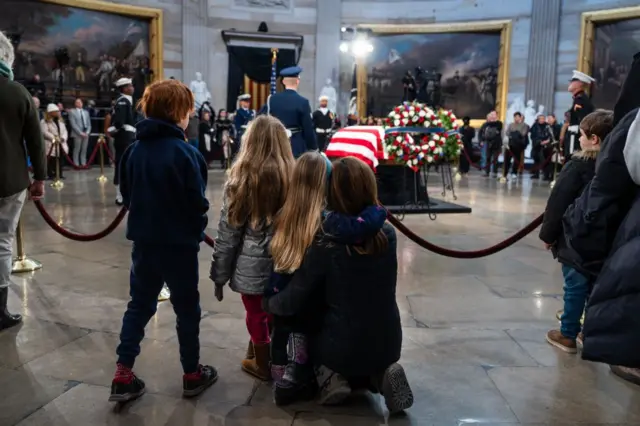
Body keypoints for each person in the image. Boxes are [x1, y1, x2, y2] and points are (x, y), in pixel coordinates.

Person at [264, 156, 413, 414]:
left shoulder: (326, 241)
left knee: (310, 327)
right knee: (368, 344)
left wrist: (270, 302)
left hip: (340, 346)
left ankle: (332, 378)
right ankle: (382, 373)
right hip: (389, 341)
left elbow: (297, 294)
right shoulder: (387, 234)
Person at [110, 79, 216, 403]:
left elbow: (127, 196)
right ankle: (192, 374)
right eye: (187, 110)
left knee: (139, 305)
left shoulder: (133, 151)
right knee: (187, 310)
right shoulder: (186, 153)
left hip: (144, 244)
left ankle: (122, 374)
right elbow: (197, 204)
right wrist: (196, 229)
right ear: (176, 112)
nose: (190, 116)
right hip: (179, 248)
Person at [563, 52, 640, 384]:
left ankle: (574, 331)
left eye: (574, 81)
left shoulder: (584, 104)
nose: (571, 85)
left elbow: (623, 163)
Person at [209, 115, 295, 381]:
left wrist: (219, 275)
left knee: (255, 315)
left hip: (252, 265)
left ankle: (262, 365)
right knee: (273, 312)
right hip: (285, 261)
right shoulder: (293, 175)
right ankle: (273, 355)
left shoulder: (242, 178)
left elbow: (228, 234)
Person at [539, 110, 613, 353]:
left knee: (575, 285)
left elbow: (558, 202)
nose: (579, 138)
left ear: (594, 139)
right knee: (594, 287)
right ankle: (589, 332)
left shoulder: (578, 165)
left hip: (575, 237)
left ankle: (568, 334)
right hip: (605, 240)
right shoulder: (616, 168)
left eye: (582, 134)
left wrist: (548, 235)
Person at [0, 30, 46, 331]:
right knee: (3, 242)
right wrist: (39, 177)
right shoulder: (18, 92)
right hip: (10, 181)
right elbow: (35, 140)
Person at [259, 66, 317, 158]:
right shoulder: (303, 102)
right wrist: (313, 149)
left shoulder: (271, 100)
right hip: (295, 146)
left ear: (283, 82)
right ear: (297, 81)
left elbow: (261, 121)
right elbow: (308, 129)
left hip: (275, 144)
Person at [109, 78, 137, 206]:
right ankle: (119, 195)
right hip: (124, 137)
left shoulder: (127, 101)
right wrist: (112, 129)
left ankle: (126, 192)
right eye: (129, 86)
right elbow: (119, 122)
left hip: (129, 136)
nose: (132, 87)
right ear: (124, 88)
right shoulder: (123, 102)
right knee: (122, 164)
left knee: (127, 164)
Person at [564, 70, 595, 160]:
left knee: (573, 157)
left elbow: (583, 120)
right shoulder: (578, 99)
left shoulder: (580, 100)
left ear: (579, 84)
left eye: (573, 81)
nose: (570, 83)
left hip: (576, 136)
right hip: (575, 134)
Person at [41, 104, 69, 180]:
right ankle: (51, 174)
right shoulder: (44, 122)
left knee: (60, 159)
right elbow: (44, 132)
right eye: (56, 111)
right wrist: (55, 138)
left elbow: (65, 131)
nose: (58, 112)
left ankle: (59, 174)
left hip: (61, 144)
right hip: (51, 144)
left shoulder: (60, 121)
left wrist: (63, 138)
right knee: (52, 160)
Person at [503, 112, 529, 179]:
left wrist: (514, 133)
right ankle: (505, 173)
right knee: (507, 159)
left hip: (518, 145)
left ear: (520, 117)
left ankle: (514, 172)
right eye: (515, 117)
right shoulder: (511, 125)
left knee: (517, 159)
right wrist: (515, 134)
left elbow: (523, 134)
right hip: (510, 144)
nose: (516, 118)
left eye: (518, 117)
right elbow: (507, 133)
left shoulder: (524, 125)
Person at [478, 110, 503, 178]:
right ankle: (487, 171)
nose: (492, 116)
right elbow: (483, 133)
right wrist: (482, 139)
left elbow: (495, 132)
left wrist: (488, 133)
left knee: (495, 159)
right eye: (491, 114)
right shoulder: (486, 124)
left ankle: (494, 172)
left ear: (496, 115)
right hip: (488, 143)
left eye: (493, 114)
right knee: (488, 158)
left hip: (496, 144)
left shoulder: (499, 123)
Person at [69, 98, 91, 167]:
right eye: (77, 102)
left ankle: (83, 163)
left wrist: (87, 132)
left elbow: (89, 124)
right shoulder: (72, 111)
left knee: (84, 149)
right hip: (77, 133)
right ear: (75, 104)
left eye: (80, 102)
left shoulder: (86, 112)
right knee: (77, 149)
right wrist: (80, 133)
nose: (79, 103)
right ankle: (76, 164)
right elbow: (73, 124)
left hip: (86, 133)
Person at [529, 114, 549, 179]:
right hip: (536, 145)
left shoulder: (547, 126)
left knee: (544, 160)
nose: (542, 120)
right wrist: (538, 141)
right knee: (536, 160)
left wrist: (544, 141)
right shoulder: (535, 126)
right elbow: (532, 135)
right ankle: (536, 174)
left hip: (544, 146)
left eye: (543, 118)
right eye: (540, 118)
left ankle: (546, 174)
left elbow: (548, 135)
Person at [544, 114, 562, 181]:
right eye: (548, 118)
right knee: (547, 161)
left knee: (553, 162)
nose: (549, 120)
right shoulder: (547, 127)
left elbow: (557, 136)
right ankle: (546, 175)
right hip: (547, 147)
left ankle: (552, 175)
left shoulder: (557, 127)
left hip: (554, 146)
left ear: (554, 119)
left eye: (550, 118)